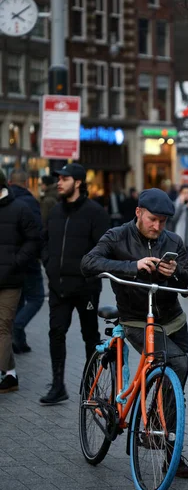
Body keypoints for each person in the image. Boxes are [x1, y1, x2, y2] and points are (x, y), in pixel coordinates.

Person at [81, 188, 188, 478]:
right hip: (135, 320)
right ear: (138, 213)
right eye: (152, 219)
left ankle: (168, 448)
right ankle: (156, 428)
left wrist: (176, 273)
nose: (157, 227)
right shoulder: (117, 236)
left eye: (163, 221)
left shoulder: (173, 241)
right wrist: (133, 266)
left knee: (174, 383)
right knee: (178, 363)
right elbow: (89, 263)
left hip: (172, 320)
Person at [40, 163, 110, 405]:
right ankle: (58, 385)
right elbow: (45, 241)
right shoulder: (56, 211)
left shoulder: (95, 213)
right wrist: (48, 263)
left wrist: (89, 275)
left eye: (64, 178)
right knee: (56, 333)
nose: (59, 182)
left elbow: (105, 249)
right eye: (59, 178)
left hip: (85, 288)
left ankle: (90, 384)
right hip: (58, 287)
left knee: (90, 336)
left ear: (78, 182)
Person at [0, 168, 40, 393]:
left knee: (3, 326)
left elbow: (33, 239)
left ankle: (6, 375)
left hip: (11, 280)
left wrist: (16, 261)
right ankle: (10, 373)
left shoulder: (20, 208)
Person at [9, 169, 45, 354]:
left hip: (9, 259)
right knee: (37, 298)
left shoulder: (5, 200)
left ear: (10, 182)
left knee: (20, 299)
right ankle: (17, 327)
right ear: (25, 182)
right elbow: (37, 233)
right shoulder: (30, 201)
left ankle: (19, 342)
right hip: (28, 259)